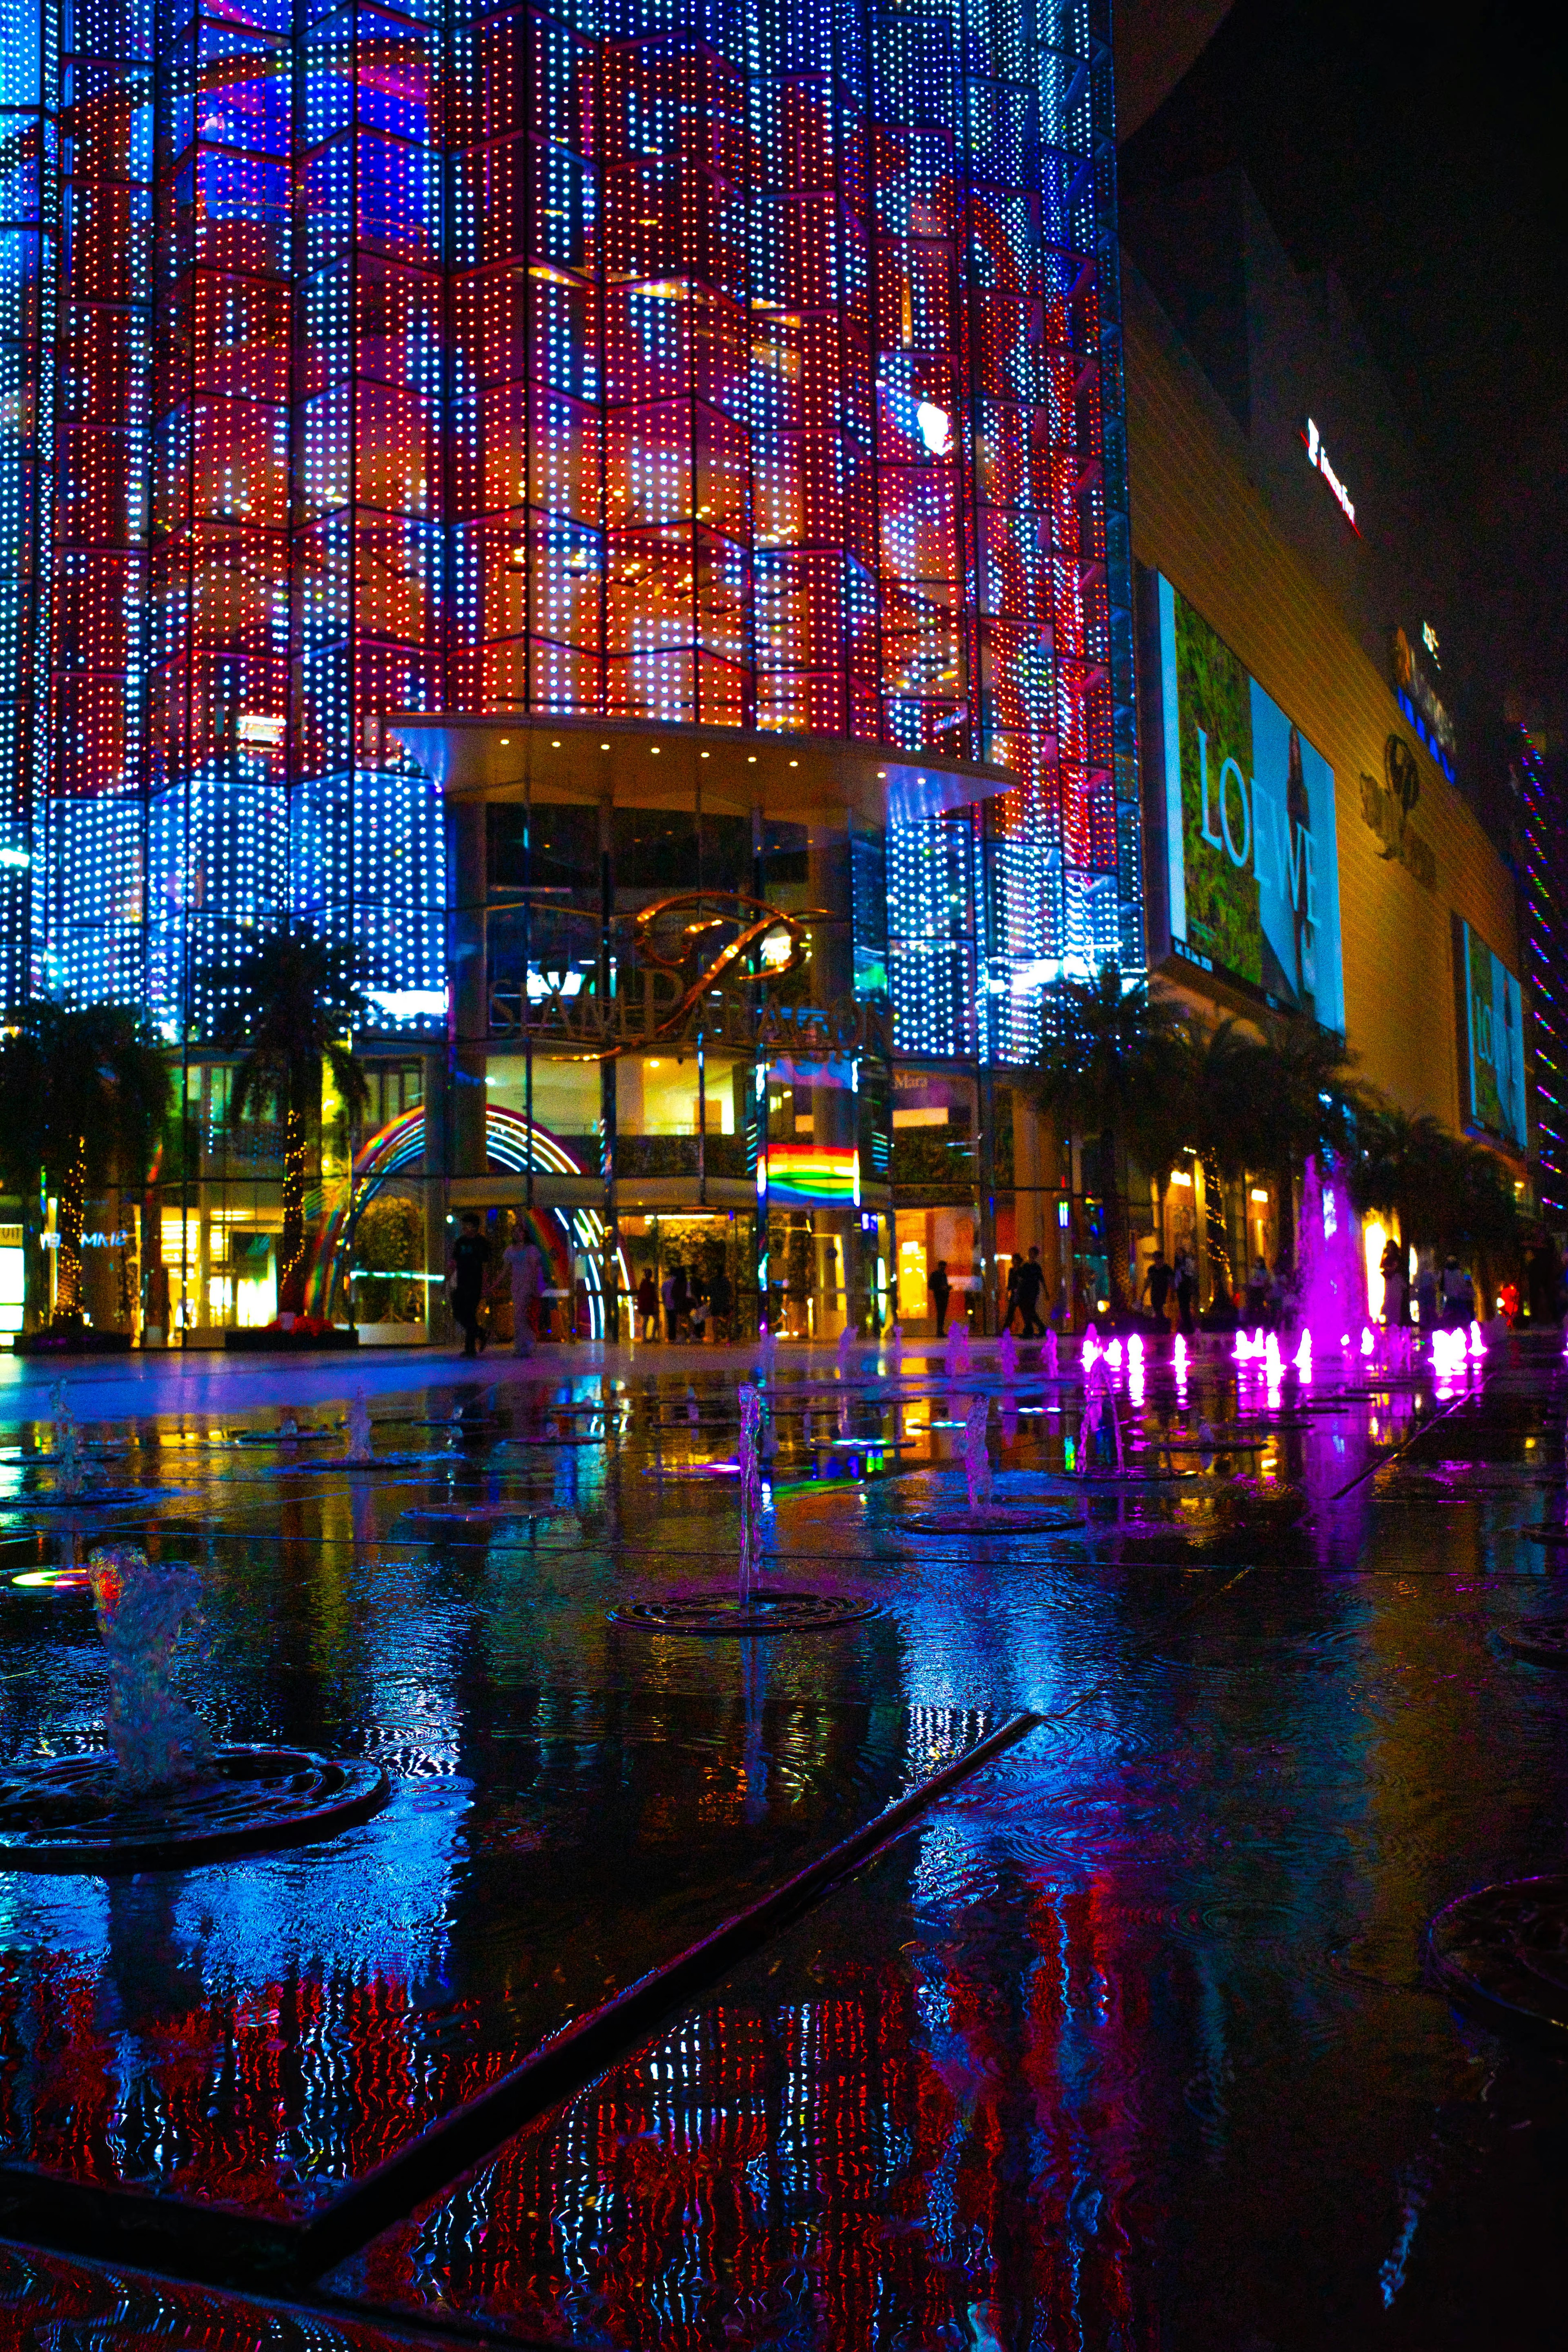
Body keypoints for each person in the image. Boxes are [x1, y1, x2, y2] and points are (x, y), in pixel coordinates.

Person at [449, 1212, 490, 1358]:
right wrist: (447, 1279)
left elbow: (485, 1266)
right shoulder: (460, 1242)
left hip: (475, 1283)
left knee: (470, 1314)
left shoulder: (481, 1243)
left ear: (474, 1227)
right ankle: (481, 1333)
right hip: (462, 1283)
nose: (464, 1228)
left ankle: (470, 1348)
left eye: (466, 1225)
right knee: (459, 1313)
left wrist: (485, 1285)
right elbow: (454, 1262)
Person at [502, 1224, 545, 1357]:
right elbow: (505, 1270)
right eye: (514, 1232)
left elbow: (534, 1269)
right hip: (516, 1286)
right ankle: (525, 1344)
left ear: (524, 1234)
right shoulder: (510, 1250)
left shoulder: (531, 1250)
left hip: (527, 1286)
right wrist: (495, 1284)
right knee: (519, 1317)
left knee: (519, 1316)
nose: (517, 1235)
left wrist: (533, 1286)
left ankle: (525, 1344)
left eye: (519, 1232)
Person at [1015, 1245, 1047, 1336]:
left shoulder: (1036, 1267)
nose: (1031, 1255)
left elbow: (1041, 1278)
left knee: (1030, 1310)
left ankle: (1032, 1329)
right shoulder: (1026, 1266)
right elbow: (1021, 1278)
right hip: (1026, 1291)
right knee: (1028, 1311)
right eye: (1030, 1253)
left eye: (1033, 1253)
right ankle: (1033, 1329)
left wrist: (1045, 1290)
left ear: (1036, 1255)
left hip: (1032, 1291)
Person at [1141, 1247, 1173, 1330]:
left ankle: (1161, 1323)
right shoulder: (1152, 1269)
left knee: (1160, 1307)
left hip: (1163, 1290)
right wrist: (1144, 1293)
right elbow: (1149, 1281)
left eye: (1158, 1259)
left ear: (1161, 1259)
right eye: (1155, 1259)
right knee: (1156, 1307)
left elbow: (1170, 1281)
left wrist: (1173, 1292)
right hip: (1155, 1291)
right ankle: (1161, 1323)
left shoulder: (1167, 1269)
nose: (1156, 1261)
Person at [1379, 1236, 1407, 1330]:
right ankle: (1390, 1323)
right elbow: (1382, 1266)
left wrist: (1389, 1271)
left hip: (1396, 1282)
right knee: (1389, 1301)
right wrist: (1384, 1254)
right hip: (1390, 1283)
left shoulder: (1398, 1258)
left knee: (1396, 1303)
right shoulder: (1387, 1258)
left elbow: (1395, 1268)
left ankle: (1396, 1324)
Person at [1440, 1255, 1470, 1325]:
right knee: (1462, 1319)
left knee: (1450, 1319)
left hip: (1450, 1299)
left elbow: (1442, 1286)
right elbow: (1462, 1285)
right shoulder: (1458, 1273)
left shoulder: (1445, 1273)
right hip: (1458, 1299)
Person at [1174, 1249, 1196, 1336]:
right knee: (1183, 1308)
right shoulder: (1179, 1265)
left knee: (1185, 1307)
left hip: (1185, 1288)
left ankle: (1188, 1327)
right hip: (1182, 1288)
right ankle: (1187, 1326)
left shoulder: (1186, 1263)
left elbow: (1189, 1275)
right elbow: (1178, 1276)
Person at [927, 1257, 951, 1336]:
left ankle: (941, 1331)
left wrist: (946, 1288)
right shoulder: (936, 1275)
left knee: (942, 1314)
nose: (944, 1268)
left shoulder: (944, 1275)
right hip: (939, 1296)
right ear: (939, 1266)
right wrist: (941, 1288)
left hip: (944, 1296)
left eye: (944, 1266)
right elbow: (931, 1286)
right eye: (942, 1266)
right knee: (940, 1314)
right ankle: (939, 1331)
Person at [708, 1265, 733, 1341]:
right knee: (728, 1316)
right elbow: (729, 1291)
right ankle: (728, 1334)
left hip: (715, 1301)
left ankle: (716, 1337)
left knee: (715, 1318)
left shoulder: (713, 1280)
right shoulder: (725, 1281)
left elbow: (709, 1291)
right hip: (724, 1301)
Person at [1243, 1256, 1268, 1327]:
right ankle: (1251, 1323)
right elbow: (1251, 1279)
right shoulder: (1253, 1270)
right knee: (1252, 1306)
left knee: (1260, 1306)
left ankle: (1261, 1323)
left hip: (1260, 1290)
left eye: (1259, 1262)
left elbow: (1264, 1280)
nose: (1258, 1263)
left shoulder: (1264, 1271)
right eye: (1257, 1262)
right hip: (1253, 1289)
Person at [1415, 1256, 1437, 1331]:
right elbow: (1435, 1279)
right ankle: (1429, 1325)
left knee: (1423, 1310)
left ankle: (1423, 1325)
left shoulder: (1420, 1275)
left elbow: (1417, 1283)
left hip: (1423, 1292)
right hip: (1428, 1293)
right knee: (1429, 1309)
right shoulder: (1429, 1274)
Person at [636, 1267, 659, 1340]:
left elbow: (641, 1295)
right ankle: (652, 1336)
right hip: (650, 1305)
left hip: (644, 1305)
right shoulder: (651, 1285)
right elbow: (653, 1295)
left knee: (646, 1320)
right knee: (655, 1320)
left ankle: (645, 1337)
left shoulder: (643, 1284)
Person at [1002, 1253, 1023, 1332]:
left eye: (1015, 1260)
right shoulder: (1011, 1271)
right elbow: (1010, 1283)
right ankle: (1006, 1330)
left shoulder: (1021, 1271)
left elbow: (1022, 1282)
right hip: (1014, 1294)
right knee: (1010, 1312)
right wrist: (1008, 1291)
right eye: (1013, 1260)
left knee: (1025, 1312)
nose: (1014, 1262)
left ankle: (1029, 1329)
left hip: (1020, 1294)